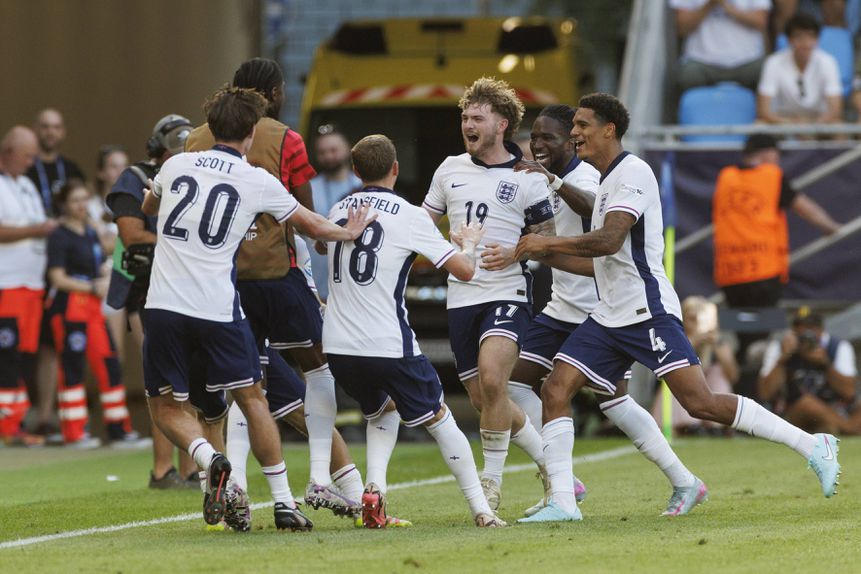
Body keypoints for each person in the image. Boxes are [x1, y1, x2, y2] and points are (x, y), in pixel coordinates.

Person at [513, 92, 841, 523]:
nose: (575, 134)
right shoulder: (606, 178)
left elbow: (609, 240)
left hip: (646, 311)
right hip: (609, 315)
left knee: (701, 402)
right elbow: (600, 259)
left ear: (609, 129)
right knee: (556, 388)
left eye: (582, 125)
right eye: (573, 126)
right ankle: (563, 501)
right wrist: (533, 252)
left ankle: (812, 444)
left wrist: (546, 243)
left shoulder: (634, 173)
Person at [141, 85, 374, 531]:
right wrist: (348, 232)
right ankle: (284, 501)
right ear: (249, 134)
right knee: (253, 399)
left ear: (209, 129)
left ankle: (211, 460)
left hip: (165, 304)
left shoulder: (176, 164)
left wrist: (157, 194)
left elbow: (150, 206)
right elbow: (309, 225)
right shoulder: (256, 179)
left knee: (167, 408)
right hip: (218, 307)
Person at [498, 105, 702, 518]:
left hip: (599, 308)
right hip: (563, 307)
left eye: (549, 137)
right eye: (534, 136)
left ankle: (677, 480)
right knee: (516, 385)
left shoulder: (591, 174)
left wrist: (549, 223)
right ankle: (562, 481)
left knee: (616, 401)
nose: (539, 144)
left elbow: (600, 222)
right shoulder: (550, 177)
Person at [324, 134, 503, 528]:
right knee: (440, 420)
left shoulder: (339, 208)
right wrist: (469, 244)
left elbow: (324, 247)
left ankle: (374, 493)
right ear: (396, 169)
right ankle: (482, 510)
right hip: (386, 342)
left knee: (382, 410)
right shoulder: (409, 215)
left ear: (355, 171)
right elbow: (465, 271)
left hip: (337, 346)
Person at [422, 77, 555, 512]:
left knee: (495, 379)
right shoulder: (449, 169)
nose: (467, 124)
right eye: (464, 117)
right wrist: (449, 248)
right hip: (461, 297)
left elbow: (548, 240)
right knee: (485, 399)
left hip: (507, 291)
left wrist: (517, 250)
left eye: (476, 118)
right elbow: (422, 227)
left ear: (501, 124)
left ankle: (491, 485)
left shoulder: (528, 178)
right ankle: (553, 468)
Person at [106, 115, 198, 489]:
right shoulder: (135, 178)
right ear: (159, 150)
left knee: (190, 377)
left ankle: (190, 467)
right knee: (161, 379)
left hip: (188, 285)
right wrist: (182, 244)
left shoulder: (196, 173)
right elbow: (131, 235)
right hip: (147, 287)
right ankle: (162, 469)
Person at [45, 180, 145, 448]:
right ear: (64, 205)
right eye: (75, 200)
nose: (80, 205)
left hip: (91, 308)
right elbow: (57, 278)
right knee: (73, 367)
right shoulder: (59, 235)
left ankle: (118, 430)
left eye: (83, 200)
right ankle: (74, 432)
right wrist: (91, 285)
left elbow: (108, 250)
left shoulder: (90, 231)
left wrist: (102, 274)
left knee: (109, 363)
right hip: (68, 307)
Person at [713, 133, 840, 309]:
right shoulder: (771, 176)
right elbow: (805, 208)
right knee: (764, 330)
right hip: (763, 271)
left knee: (741, 327)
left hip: (730, 272)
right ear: (768, 154)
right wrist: (831, 227)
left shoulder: (726, 178)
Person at [0, 126, 56, 446]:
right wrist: (36, 229)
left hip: (33, 285)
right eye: (26, 156)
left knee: (25, 355)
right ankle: (8, 428)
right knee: (6, 354)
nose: (32, 162)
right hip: (7, 284)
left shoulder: (27, 185)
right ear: (7, 152)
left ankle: (16, 421)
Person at [759, 309, 860, 435]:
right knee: (808, 404)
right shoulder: (780, 347)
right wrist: (782, 359)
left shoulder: (837, 346)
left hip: (835, 408)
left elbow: (849, 392)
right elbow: (765, 393)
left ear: (821, 329)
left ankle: (832, 427)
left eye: (810, 327)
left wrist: (825, 364)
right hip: (792, 412)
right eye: (799, 327)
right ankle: (849, 431)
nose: (805, 333)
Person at [652, 296, 739, 435]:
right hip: (681, 394)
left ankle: (717, 424)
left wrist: (719, 347)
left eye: (704, 319)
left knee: (717, 372)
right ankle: (687, 425)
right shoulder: (673, 337)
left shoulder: (720, 340)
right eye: (692, 319)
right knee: (679, 377)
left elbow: (733, 376)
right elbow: (666, 366)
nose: (698, 324)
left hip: (707, 391)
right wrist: (692, 341)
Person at [306, 126, 362, 300]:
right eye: (322, 152)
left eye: (333, 150)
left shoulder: (363, 187)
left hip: (354, 287)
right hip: (317, 286)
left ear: (348, 149)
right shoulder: (308, 189)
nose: (328, 156)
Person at [757, 13, 844, 124]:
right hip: (783, 120)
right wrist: (791, 124)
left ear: (817, 40)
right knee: (759, 125)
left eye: (810, 36)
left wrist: (811, 125)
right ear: (789, 40)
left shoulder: (828, 62)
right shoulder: (773, 62)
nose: (805, 43)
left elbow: (835, 110)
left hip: (818, 120)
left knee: (838, 126)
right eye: (799, 36)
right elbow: (764, 111)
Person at [671, 0, 771, 92]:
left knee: (767, 76)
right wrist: (710, 4)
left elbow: (760, 21)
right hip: (701, 61)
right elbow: (682, 28)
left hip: (747, 61)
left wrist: (726, 6)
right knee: (686, 76)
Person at [26, 108, 86, 216]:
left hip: (67, 229)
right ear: (34, 130)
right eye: (45, 127)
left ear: (63, 132)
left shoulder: (72, 169)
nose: (51, 132)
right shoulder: (25, 167)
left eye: (56, 127)